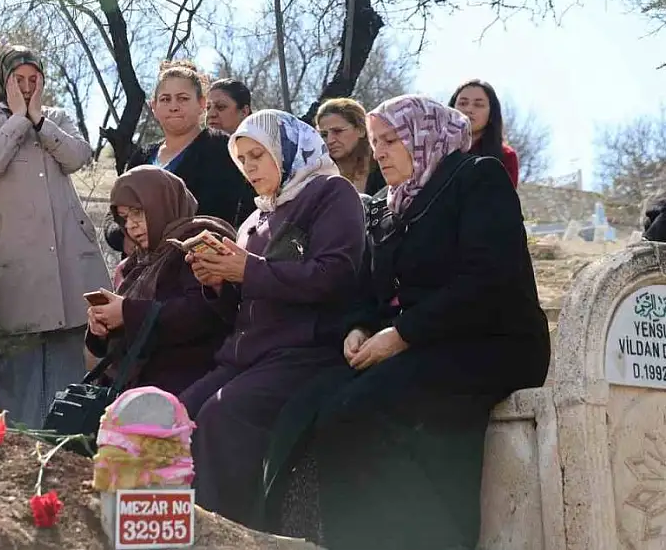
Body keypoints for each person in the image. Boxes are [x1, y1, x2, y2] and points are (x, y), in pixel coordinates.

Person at [314, 95, 550, 550]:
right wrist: (360, 328)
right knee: (320, 403)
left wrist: (401, 336)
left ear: (423, 137)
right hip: (427, 341)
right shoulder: (387, 204)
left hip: (494, 341)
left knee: (358, 412)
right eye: (375, 140)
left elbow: (488, 279)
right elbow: (372, 289)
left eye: (390, 139)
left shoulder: (476, 178)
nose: (378, 151)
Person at [178, 109, 366, 527]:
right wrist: (215, 281)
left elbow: (334, 276)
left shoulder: (330, 194)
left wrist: (245, 270)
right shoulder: (254, 218)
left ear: (285, 150)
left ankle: (229, 533)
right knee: (176, 416)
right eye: (241, 159)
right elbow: (241, 306)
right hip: (248, 355)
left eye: (257, 156)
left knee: (221, 418)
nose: (249, 168)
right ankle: (175, 529)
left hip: (303, 352)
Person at [0, 45, 111, 428]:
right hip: (13, 259)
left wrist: (40, 122)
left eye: (34, 80)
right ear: (4, 81)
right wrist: (17, 119)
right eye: (19, 80)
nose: (27, 87)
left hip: (65, 256)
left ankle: (69, 442)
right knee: (18, 363)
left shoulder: (57, 118)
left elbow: (78, 157)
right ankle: (18, 446)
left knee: (69, 353)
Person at [84, 166, 237, 395]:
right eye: (124, 218)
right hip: (136, 383)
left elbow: (202, 314)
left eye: (138, 212)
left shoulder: (194, 244)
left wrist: (126, 312)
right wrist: (103, 327)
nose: (130, 225)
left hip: (186, 380)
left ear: (161, 203)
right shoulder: (136, 263)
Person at [104, 61, 256, 256]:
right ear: (154, 107)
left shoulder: (222, 149)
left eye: (183, 98)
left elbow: (235, 212)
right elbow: (114, 212)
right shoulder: (142, 157)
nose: (173, 106)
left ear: (201, 104)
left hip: (199, 270)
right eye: (165, 99)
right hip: (141, 274)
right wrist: (124, 236)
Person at [449, 79, 520, 187]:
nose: (469, 109)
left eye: (478, 105)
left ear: (491, 114)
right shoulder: (434, 150)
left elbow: (504, 201)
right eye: (463, 103)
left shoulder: (506, 156)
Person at [315, 97, 385, 195]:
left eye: (338, 131)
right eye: (324, 135)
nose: (330, 141)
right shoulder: (319, 175)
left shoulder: (384, 164)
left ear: (361, 130)